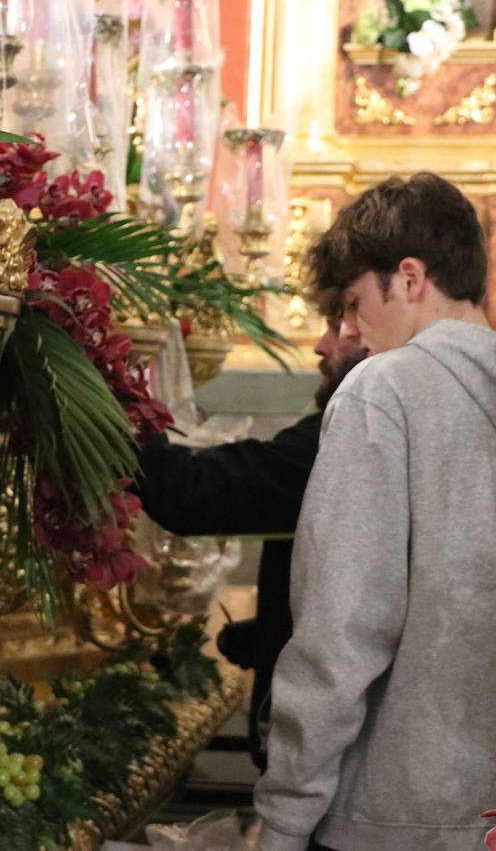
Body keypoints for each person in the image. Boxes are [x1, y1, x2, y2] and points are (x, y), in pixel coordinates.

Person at [254, 173, 496, 851]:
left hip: (392, 817)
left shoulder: (386, 390)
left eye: (354, 301)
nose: (351, 331)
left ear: (410, 276)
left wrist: (282, 817)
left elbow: (341, 632)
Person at [132, 327, 366, 770]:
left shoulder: (345, 437)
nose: (318, 345)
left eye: (344, 321)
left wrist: (122, 402)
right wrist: (271, 633)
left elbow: (192, 492)